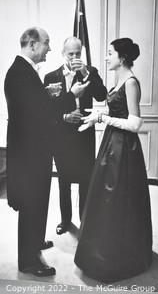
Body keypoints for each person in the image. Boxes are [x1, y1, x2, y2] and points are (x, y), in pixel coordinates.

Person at [4, 27, 88, 277]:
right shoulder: (20, 73)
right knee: (32, 203)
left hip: (34, 150)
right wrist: (69, 95)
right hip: (29, 154)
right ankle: (28, 261)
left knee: (39, 200)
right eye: (46, 43)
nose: (50, 49)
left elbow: (35, 105)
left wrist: (47, 95)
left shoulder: (25, 71)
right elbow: (39, 114)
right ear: (32, 44)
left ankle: (35, 241)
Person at [74, 38, 153, 282]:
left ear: (122, 58)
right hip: (112, 144)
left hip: (124, 148)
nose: (107, 57)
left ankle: (120, 256)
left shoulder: (130, 82)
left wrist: (104, 120)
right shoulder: (119, 80)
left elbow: (135, 122)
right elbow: (115, 110)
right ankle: (100, 252)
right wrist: (98, 114)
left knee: (117, 197)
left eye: (110, 53)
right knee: (104, 197)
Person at [44, 37, 107, 235]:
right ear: (63, 54)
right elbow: (47, 111)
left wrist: (86, 72)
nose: (74, 57)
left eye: (78, 53)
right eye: (70, 54)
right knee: (63, 181)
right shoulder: (50, 76)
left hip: (84, 135)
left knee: (86, 181)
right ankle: (65, 221)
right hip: (61, 137)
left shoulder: (90, 72)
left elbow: (102, 95)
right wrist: (64, 116)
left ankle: (85, 221)